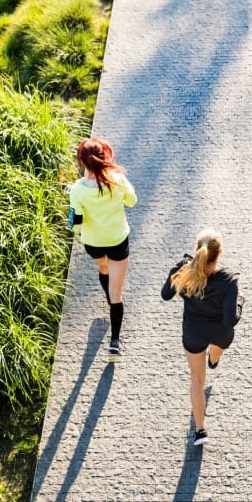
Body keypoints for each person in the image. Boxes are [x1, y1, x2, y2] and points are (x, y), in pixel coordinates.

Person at [161, 229, 243, 446]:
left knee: (197, 380)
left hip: (194, 332)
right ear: (220, 253)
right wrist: (240, 304)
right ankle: (214, 360)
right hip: (220, 333)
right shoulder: (229, 279)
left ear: (197, 249)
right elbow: (230, 320)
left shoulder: (184, 270)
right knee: (217, 350)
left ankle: (200, 430)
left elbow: (165, 295)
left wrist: (177, 268)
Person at [68, 137, 138, 356]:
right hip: (117, 240)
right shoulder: (117, 180)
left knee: (103, 268)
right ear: (105, 157)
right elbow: (132, 201)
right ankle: (114, 341)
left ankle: (107, 293)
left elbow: (76, 223)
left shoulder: (77, 190)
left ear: (82, 162)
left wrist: (81, 234)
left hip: (93, 243)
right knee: (117, 294)